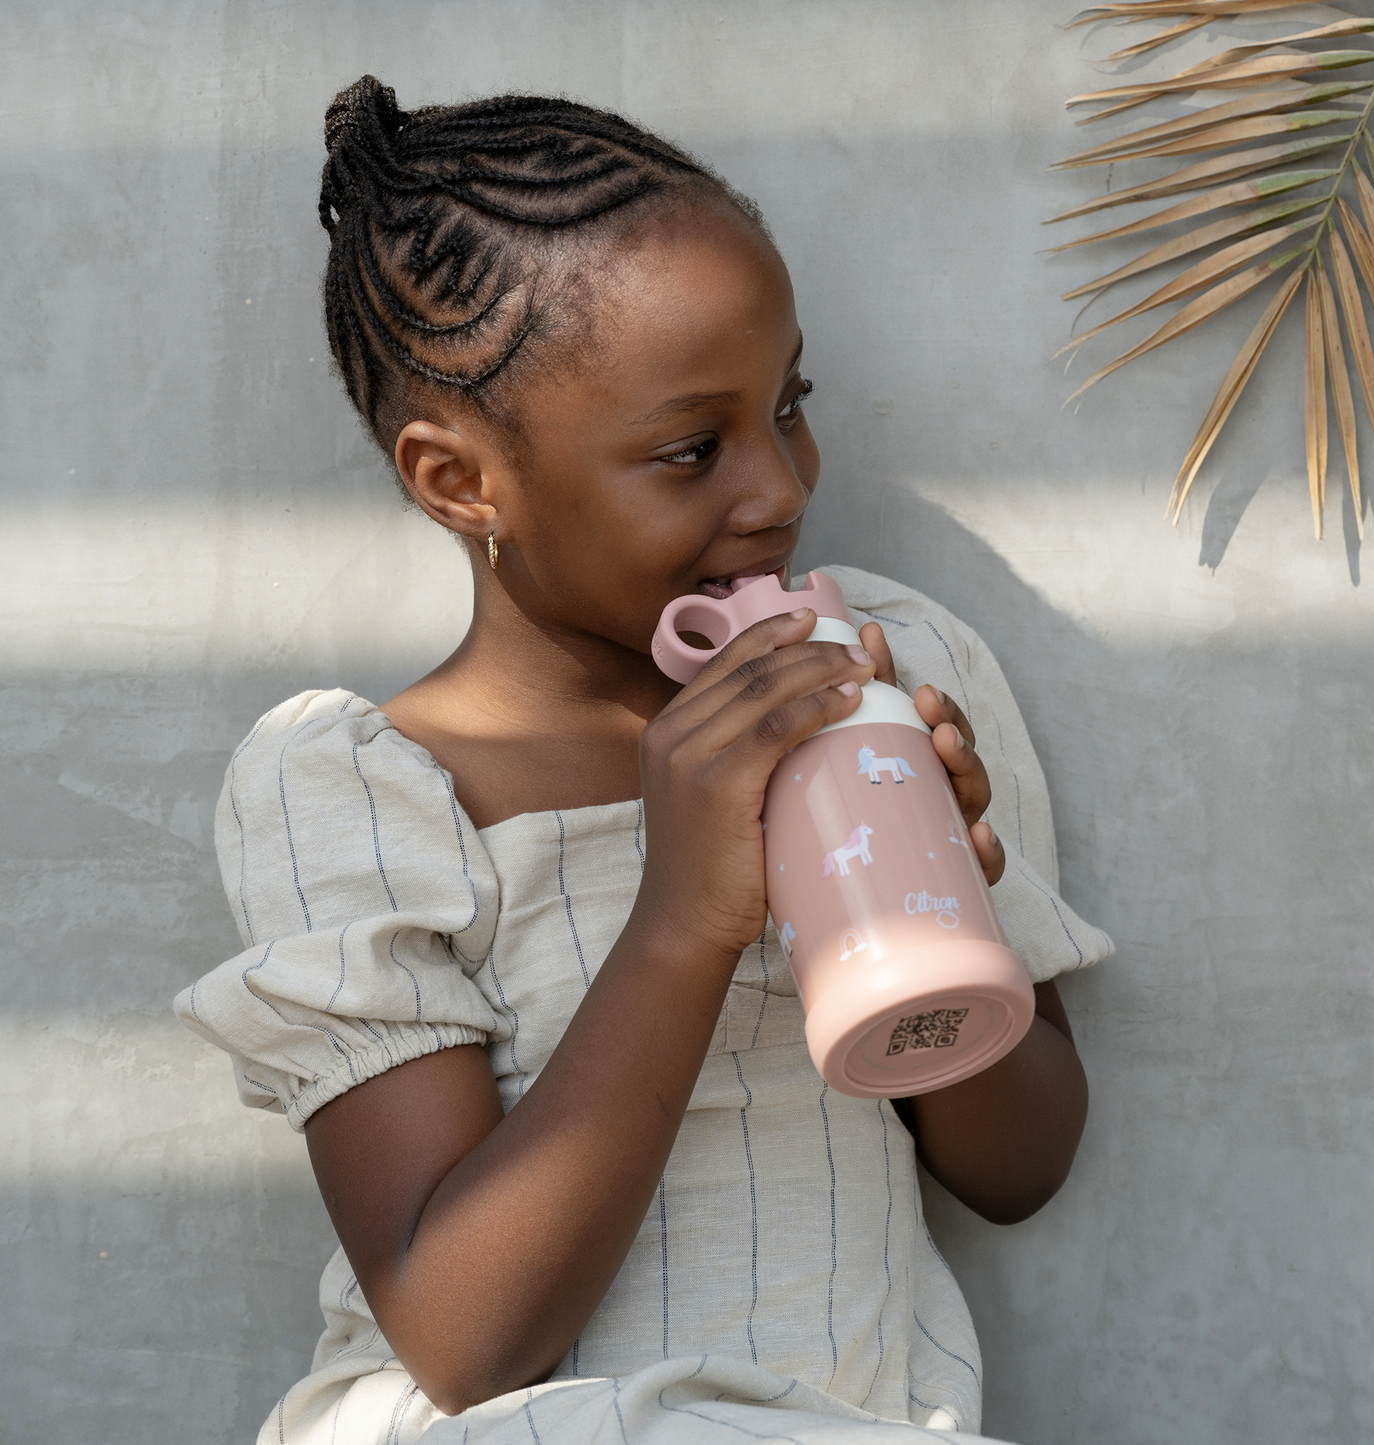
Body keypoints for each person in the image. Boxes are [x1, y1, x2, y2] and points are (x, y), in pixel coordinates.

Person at [176, 77, 1112, 1445]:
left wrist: (935, 918)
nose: (779, 488)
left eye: (789, 405)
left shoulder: (890, 666)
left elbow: (1022, 1166)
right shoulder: (360, 791)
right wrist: (684, 917)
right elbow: (465, 1339)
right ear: (461, 484)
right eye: (691, 450)